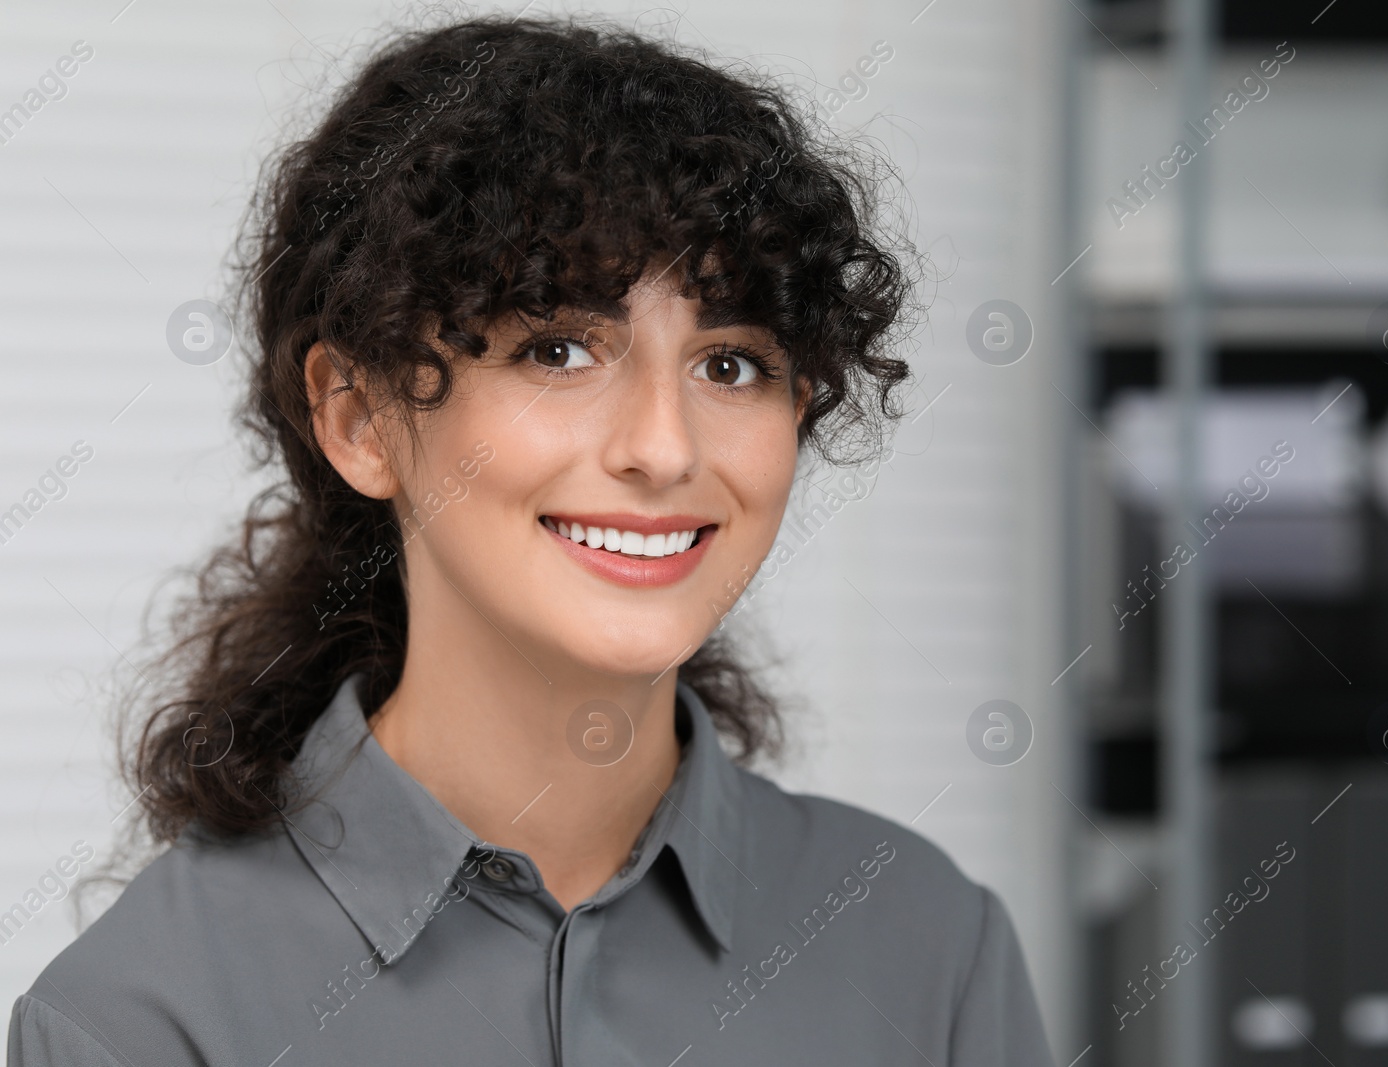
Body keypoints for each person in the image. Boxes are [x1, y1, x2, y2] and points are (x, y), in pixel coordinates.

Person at [7, 15, 1054, 1066]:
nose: (661, 446)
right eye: (557, 348)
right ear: (358, 418)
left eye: (730, 363)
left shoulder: (928, 945)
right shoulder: (138, 1018)